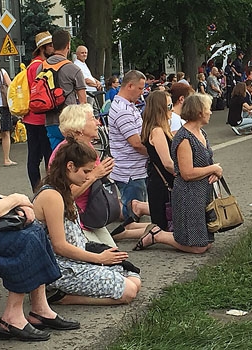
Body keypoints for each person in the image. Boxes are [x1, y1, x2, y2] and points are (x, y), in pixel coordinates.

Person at [0, 101, 79, 341]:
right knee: (23, 240)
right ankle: (12, 317)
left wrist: (20, 204)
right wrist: (17, 198)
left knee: (36, 229)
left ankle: (39, 308)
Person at [33, 138, 142, 305]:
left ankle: (61, 294)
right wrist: (98, 259)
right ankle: (62, 297)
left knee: (134, 278)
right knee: (129, 291)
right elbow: (59, 246)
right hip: (61, 268)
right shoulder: (52, 196)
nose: (88, 177)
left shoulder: (62, 189)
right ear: (70, 166)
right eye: (85, 171)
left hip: (75, 260)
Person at [133, 93, 223, 254]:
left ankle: (154, 230)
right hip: (188, 194)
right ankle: (157, 235)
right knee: (199, 246)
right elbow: (186, 172)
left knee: (206, 242)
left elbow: (207, 161)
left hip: (201, 191)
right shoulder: (183, 137)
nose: (211, 112)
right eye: (208, 109)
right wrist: (213, 169)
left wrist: (215, 171)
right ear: (199, 112)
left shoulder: (202, 133)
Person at [52, 104, 153, 244]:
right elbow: (64, 194)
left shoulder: (87, 146)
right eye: (92, 118)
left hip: (91, 216)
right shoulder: (65, 153)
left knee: (114, 255)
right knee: (106, 257)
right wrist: (95, 175)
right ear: (79, 126)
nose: (98, 122)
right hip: (76, 220)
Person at [108, 70, 150, 220]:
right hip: (131, 171)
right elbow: (136, 144)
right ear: (130, 86)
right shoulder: (123, 111)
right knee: (133, 214)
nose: (142, 92)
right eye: (140, 88)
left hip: (132, 169)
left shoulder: (126, 105)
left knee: (134, 208)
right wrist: (155, 153)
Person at [40, 29, 86, 150]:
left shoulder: (41, 67)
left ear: (53, 45)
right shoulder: (73, 69)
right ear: (68, 45)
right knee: (74, 158)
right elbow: (83, 100)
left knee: (57, 157)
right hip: (70, 122)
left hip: (50, 120)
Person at [141, 90, 176, 232]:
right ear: (160, 108)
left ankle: (126, 230)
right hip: (161, 183)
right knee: (162, 226)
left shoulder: (159, 129)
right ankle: (125, 232)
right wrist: (184, 173)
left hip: (159, 180)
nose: (172, 108)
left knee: (161, 225)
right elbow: (167, 163)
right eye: (169, 106)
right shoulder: (157, 131)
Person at [24, 31, 55, 191]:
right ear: (43, 48)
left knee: (34, 156)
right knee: (47, 156)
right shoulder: (40, 66)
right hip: (40, 117)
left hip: (30, 117)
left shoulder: (31, 65)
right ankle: (44, 191)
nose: (53, 48)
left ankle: (36, 189)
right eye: (50, 45)